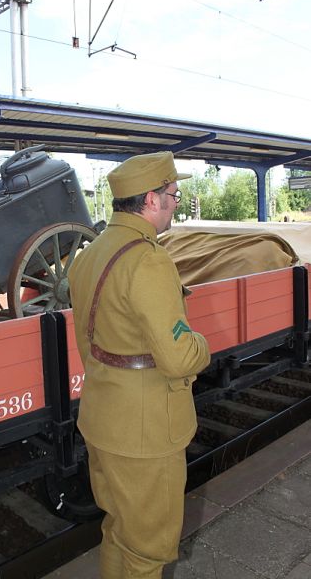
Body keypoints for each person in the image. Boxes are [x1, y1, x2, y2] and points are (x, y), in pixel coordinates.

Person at [67, 151, 210, 579]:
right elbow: (179, 355)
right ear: (151, 200)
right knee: (148, 551)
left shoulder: (90, 255)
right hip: (146, 434)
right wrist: (201, 345)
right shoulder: (147, 259)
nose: (176, 203)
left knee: (118, 531)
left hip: (103, 419)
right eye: (173, 194)